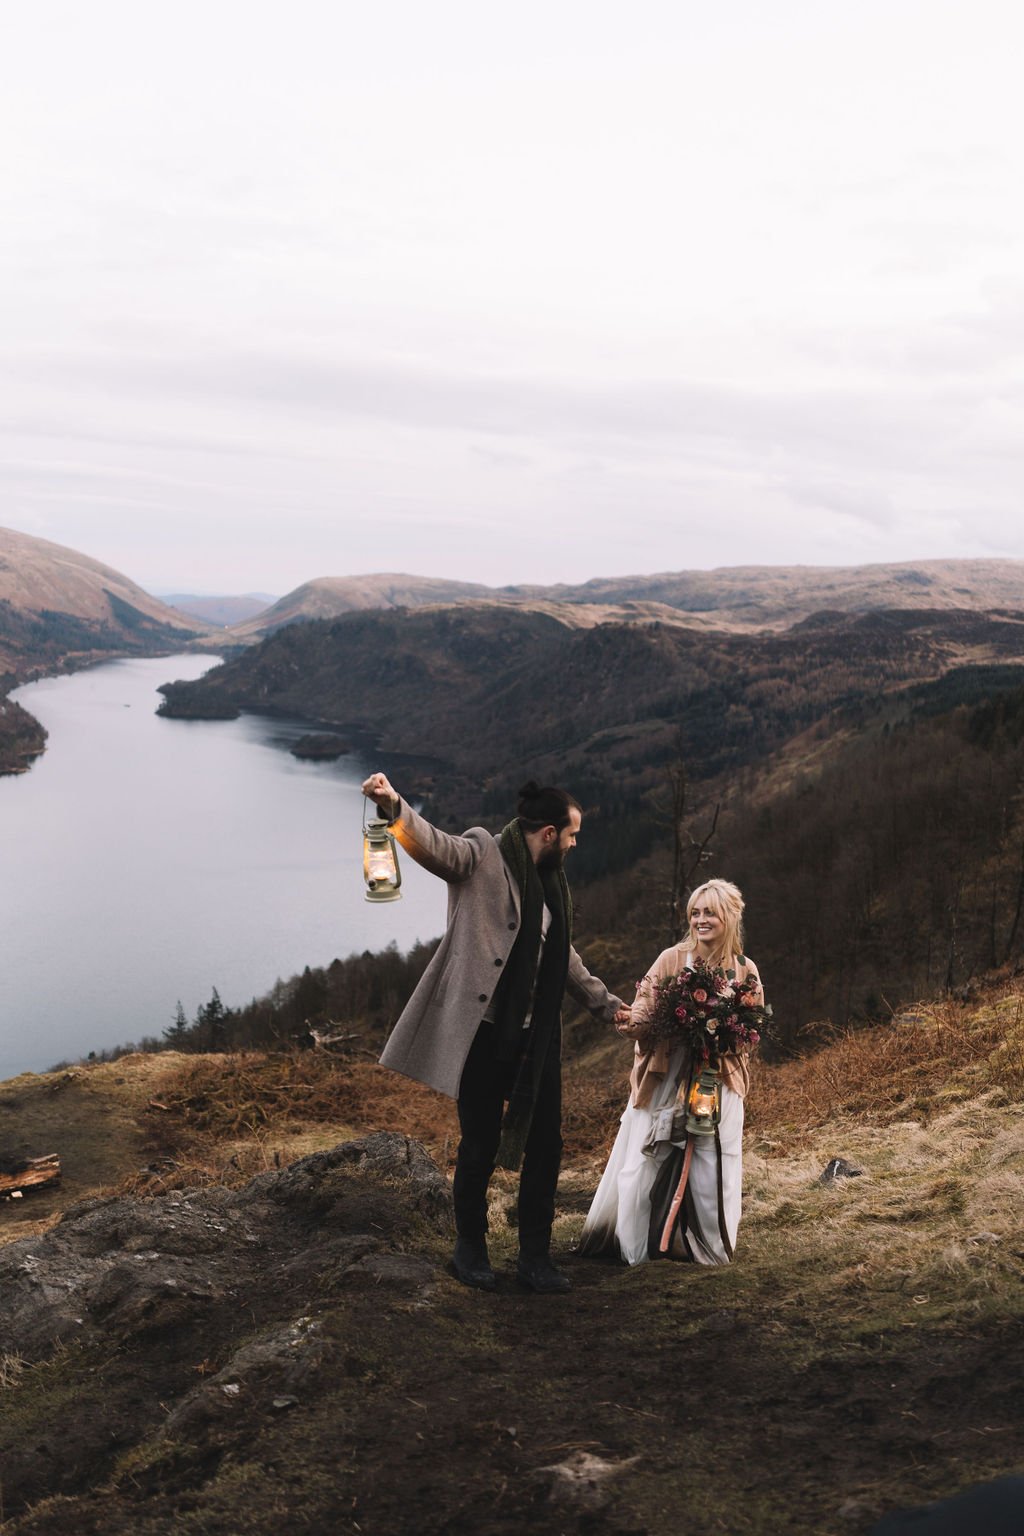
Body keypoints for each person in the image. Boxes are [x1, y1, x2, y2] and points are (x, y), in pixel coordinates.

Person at [362, 772, 630, 1294]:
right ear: (549, 833)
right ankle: (471, 1247)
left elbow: (562, 959)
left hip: (537, 1040)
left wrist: (610, 1008)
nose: (575, 845)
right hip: (484, 1034)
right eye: (571, 835)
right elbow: (435, 847)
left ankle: (534, 1255)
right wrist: (394, 805)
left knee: (546, 1146)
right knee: (480, 1144)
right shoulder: (483, 852)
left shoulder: (553, 887)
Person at [579, 879, 763, 1266]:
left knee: (717, 1160)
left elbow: (753, 1030)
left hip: (718, 1080)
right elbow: (645, 1005)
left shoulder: (745, 970)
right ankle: (637, 1245)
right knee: (649, 1153)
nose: (700, 920)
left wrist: (725, 1031)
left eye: (709, 912)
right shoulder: (671, 959)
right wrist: (630, 1021)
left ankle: (710, 1246)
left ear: (729, 917)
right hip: (666, 1074)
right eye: (695, 912)